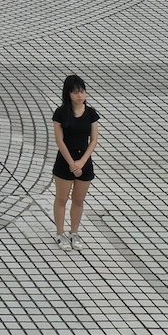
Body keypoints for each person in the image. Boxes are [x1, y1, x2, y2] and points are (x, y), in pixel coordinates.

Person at [50, 74, 101, 248]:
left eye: (82, 91)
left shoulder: (91, 113)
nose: (80, 95)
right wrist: (72, 163)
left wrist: (81, 162)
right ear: (68, 94)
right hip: (65, 160)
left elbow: (94, 140)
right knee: (62, 198)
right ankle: (59, 233)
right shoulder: (61, 113)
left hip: (84, 161)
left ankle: (75, 232)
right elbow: (59, 141)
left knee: (79, 200)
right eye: (75, 92)